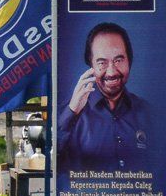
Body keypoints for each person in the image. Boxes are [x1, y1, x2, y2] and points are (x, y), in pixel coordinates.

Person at [59, 22, 153, 171]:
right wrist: (71, 114)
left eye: (118, 60)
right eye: (102, 62)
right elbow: (51, 162)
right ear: (91, 66)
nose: (111, 72)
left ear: (130, 61)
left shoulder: (150, 114)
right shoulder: (69, 113)